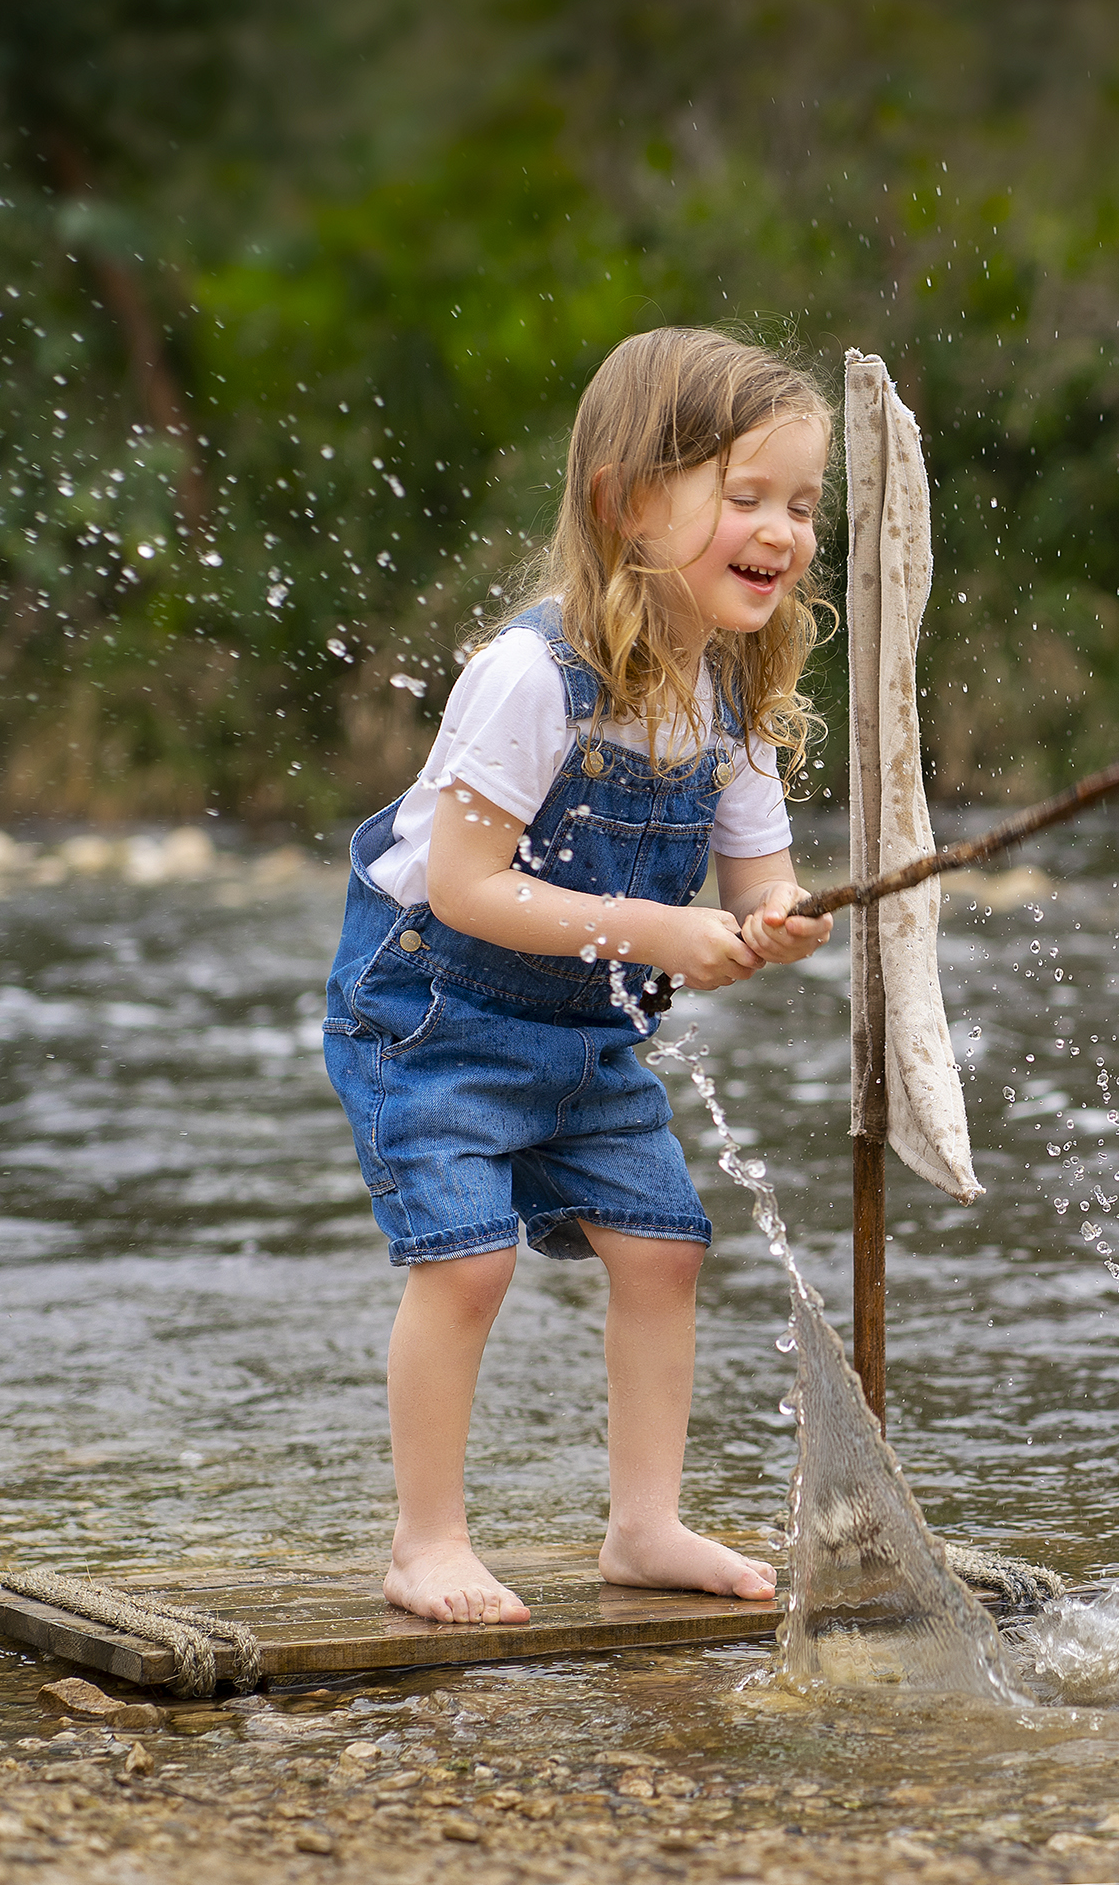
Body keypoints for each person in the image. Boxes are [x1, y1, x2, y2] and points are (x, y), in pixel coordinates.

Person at [322, 326, 836, 1625]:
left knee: (665, 1249)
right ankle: (424, 1543)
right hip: (433, 1014)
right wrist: (664, 937)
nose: (783, 530)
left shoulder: (731, 702)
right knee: (468, 1261)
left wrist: (783, 923)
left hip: (589, 1033)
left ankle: (643, 1528)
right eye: (746, 496)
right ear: (626, 503)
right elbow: (464, 887)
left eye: (802, 504)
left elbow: (758, 887)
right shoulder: (532, 677)